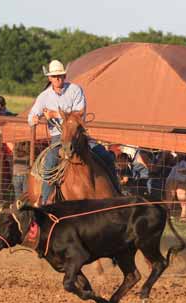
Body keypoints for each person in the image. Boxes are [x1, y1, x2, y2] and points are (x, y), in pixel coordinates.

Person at [27, 59, 118, 205]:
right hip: (58, 136)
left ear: (65, 76)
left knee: (105, 155)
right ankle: (45, 200)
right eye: (55, 76)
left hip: (78, 134)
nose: (58, 78)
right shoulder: (44, 96)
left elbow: (79, 114)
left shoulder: (75, 90)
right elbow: (30, 117)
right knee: (51, 160)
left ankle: (117, 191)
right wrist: (35, 118)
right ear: (49, 78)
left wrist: (53, 114)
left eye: (61, 75)